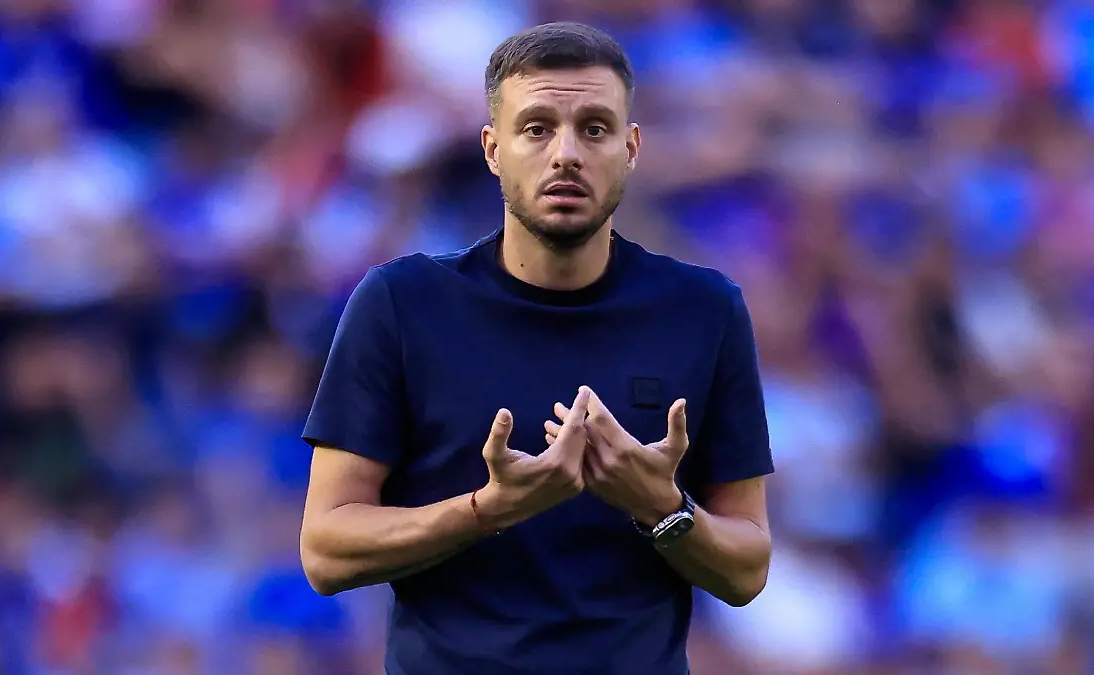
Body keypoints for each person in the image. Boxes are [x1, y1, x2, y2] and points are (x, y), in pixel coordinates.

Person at [299, 21, 774, 675]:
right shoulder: (402, 304)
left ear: (631, 148)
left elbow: (748, 567)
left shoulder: (703, 310)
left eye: (595, 129)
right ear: (493, 148)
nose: (567, 154)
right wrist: (488, 509)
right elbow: (326, 550)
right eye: (537, 128)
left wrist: (661, 505)